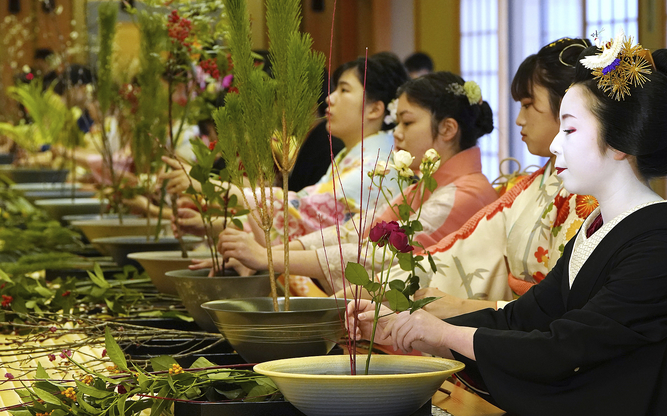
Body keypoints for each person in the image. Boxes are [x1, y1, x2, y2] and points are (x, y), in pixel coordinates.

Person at [348, 32, 667, 415]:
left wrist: (445, 334)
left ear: (620, 140)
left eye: (570, 130)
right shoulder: (598, 226)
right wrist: (412, 325)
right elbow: (524, 317)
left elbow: (567, 348)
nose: (556, 145)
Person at [196, 72, 499, 295]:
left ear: (447, 129)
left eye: (407, 123)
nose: (397, 132)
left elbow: (377, 256)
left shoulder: (461, 192)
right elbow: (357, 229)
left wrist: (270, 256)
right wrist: (270, 256)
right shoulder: (424, 183)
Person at [412, 38, 597, 318]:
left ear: (568, 107)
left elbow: (566, 306)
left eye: (528, 104)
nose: (519, 119)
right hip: (520, 320)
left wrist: (462, 307)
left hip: (542, 329)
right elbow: (462, 250)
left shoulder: (590, 196)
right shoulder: (532, 185)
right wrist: (383, 286)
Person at [167, 52, 408, 245]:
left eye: (344, 90)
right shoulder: (352, 155)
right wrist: (211, 224)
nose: (330, 98)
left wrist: (212, 188)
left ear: (375, 109)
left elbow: (301, 212)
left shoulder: (378, 167)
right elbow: (299, 208)